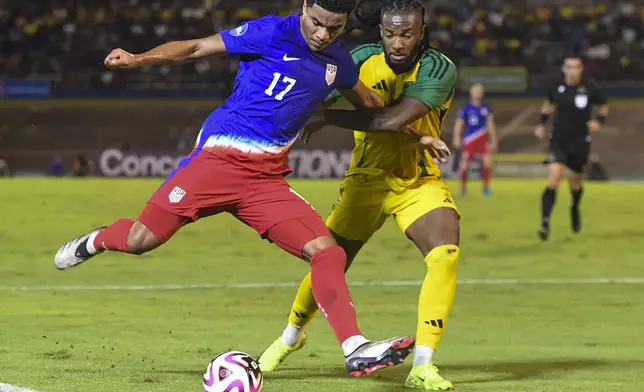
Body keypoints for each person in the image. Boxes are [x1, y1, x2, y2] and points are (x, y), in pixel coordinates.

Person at [53, 0, 416, 377]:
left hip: (265, 181)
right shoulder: (272, 32)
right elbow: (196, 47)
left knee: (328, 253)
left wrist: (416, 133)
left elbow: (372, 105)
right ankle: (95, 241)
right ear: (305, 7)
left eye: (335, 28)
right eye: (318, 23)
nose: (323, 34)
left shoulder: (338, 62)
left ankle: (355, 348)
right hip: (216, 163)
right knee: (140, 241)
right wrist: (138, 59)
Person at [258, 1, 459, 390]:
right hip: (364, 181)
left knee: (445, 254)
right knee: (328, 260)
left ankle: (423, 365)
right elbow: (318, 96)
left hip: (417, 181)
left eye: (406, 34)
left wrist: (328, 116)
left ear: (421, 32)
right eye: (389, 33)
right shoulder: (359, 59)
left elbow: (392, 119)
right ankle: (290, 338)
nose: (397, 42)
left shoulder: (438, 67)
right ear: (379, 31)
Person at [534, 55, 608, 241]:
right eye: (569, 67)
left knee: (575, 182)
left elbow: (604, 106)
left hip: (580, 141)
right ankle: (544, 223)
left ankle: (574, 207)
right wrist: (542, 124)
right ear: (564, 69)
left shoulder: (590, 88)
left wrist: (599, 121)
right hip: (558, 140)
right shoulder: (557, 88)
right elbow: (548, 105)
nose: (573, 70)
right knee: (554, 179)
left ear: (581, 69)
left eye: (576, 67)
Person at [452, 83, 497, 196]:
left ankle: (486, 188)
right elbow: (459, 124)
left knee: (488, 164)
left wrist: (493, 141)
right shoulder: (465, 108)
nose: (478, 92)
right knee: (464, 165)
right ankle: (463, 188)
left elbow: (491, 125)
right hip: (469, 140)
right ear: (471, 93)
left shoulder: (486, 108)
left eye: (480, 90)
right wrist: (456, 138)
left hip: (482, 140)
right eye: (476, 90)